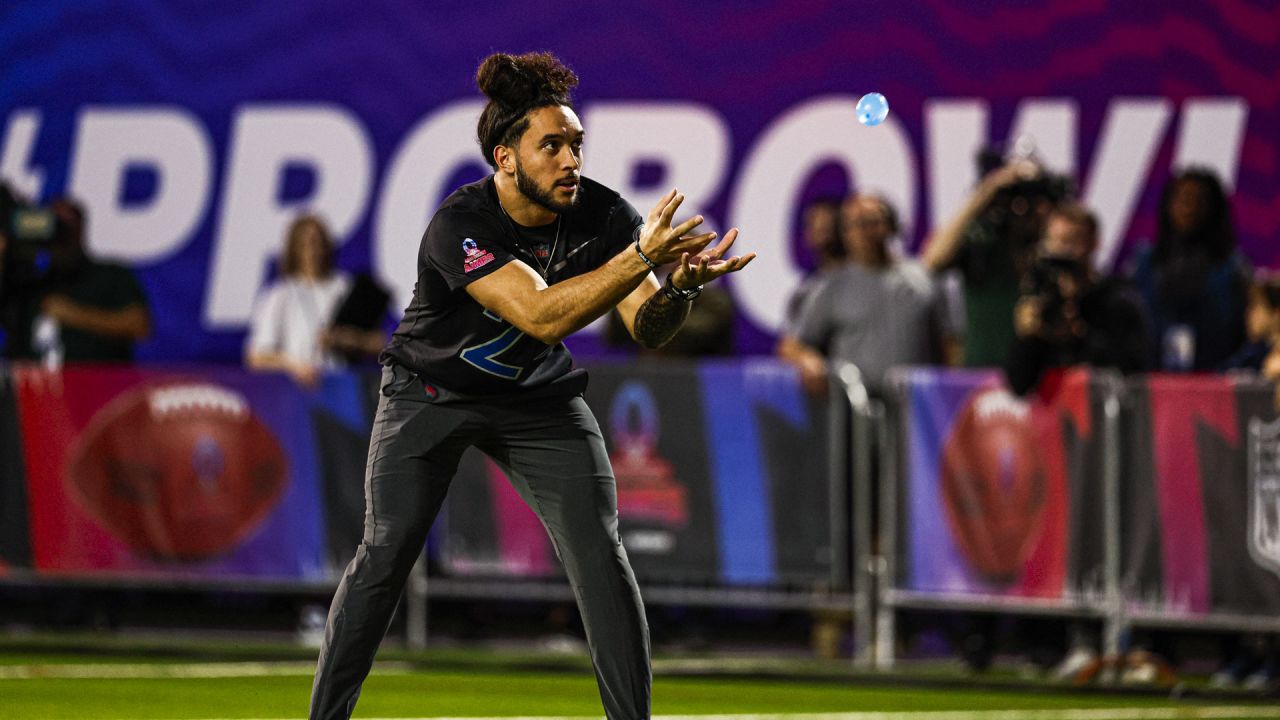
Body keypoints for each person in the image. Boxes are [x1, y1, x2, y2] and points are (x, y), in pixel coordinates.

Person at [308, 51, 754, 720]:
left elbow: (649, 327)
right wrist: (639, 259)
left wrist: (681, 288)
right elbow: (543, 315)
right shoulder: (462, 222)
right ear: (506, 157)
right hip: (429, 394)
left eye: (576, 144)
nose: (571, 159)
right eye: (552, 145)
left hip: (535, 401)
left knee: (600, 552)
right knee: (385, 553)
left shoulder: (606, 218)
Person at [778, 194, 948, 396]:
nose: (864, 231)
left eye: (872, 221)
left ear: (891, 226)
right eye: (854, 224)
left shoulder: (924, 279)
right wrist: (808, 361)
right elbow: (791, 346)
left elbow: (950, 343)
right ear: (845, 234)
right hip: (858, 413)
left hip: (918, 407)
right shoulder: (831, 286)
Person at [921, 154, 1072, 368]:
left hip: (1040, 375)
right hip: (983, 372)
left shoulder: (1054, 249)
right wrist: (986, 192)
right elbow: (933, 260)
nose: (1023, 207)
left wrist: (1052, 219)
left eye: (1036, 197)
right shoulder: (982, 240)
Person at [1003, 203, 1149, 396]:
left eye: (1071, 241)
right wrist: (1027, 336)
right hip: (1054, 420)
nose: (1061, 251)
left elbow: (1133, 369)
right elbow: (1018, 385)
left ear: (1093, 243)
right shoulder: (1042, 300)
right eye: (1054, 241)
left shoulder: (1117, 299)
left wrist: (1077, 335)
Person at [0, 196, 149, 364]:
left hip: (95, 384)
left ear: (81, 229)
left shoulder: (109, 274)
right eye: (54, 223)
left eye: (67, 224)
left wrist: (75, 314)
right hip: (32, 384)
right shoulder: (28, 280)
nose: (60, 232)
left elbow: (139, 325)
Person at [1129, 168, 1250, 372]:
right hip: (1150, 379)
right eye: (1181, 199)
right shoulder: (1145, 262)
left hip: (1214, 380)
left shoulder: (1232, 268)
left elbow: (1244, 333)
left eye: (1198, 201)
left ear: (1214, 208)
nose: (1188, 208)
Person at [245, 215, 354, 385]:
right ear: (295, 249)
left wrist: (345, 340)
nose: (313, 250)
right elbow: (257, 356)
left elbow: (380, 344)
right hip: (299, 390)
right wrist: (293, 365)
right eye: (306, 244)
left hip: (345, 386)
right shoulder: (281, 293)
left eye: (318, 242)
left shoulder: (345, 288)